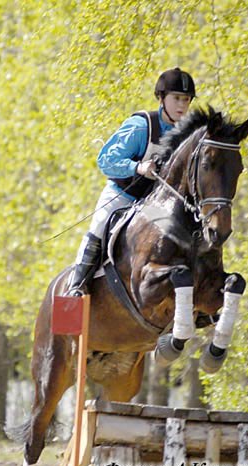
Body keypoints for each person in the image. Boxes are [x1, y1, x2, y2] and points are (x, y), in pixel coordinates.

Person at [68, 67, 196, 296]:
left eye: (186, 100)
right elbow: (106, 160)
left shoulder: (187, 135)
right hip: (123, 195)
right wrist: (137, 167)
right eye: (176, 98)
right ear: (161, 98)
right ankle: (76, 287)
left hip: (156, 206)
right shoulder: (141, 126)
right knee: (99, 225)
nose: (182, 106)